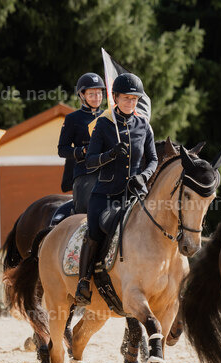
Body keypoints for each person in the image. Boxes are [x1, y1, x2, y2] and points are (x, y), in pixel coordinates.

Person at [75, 73, 157, 307]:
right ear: (116, 99)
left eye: (134, 99)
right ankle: (83, 281)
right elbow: (90, 161)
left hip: (134, 195)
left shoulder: (144, 125)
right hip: (106, 194)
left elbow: (152, 160)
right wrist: (109, 155)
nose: (130, 102)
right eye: (126, 98)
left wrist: (143, 176)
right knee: (94, 231)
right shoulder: (104, 124)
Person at [57, 72, 105, 214]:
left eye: (99, 93)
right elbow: (62, 149)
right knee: (86, 210)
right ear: (82, 95)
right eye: (92, 94)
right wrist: (81, 151)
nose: (97, 97)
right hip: (85, 172)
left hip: (108, 171)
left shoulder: (109, 116)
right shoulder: (73, 119)